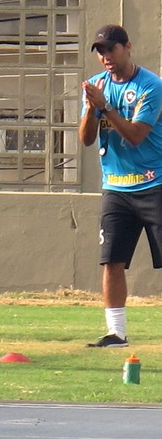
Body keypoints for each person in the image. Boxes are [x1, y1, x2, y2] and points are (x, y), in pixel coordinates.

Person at [79, 25, 162, 348]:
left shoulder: (150, 86)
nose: (105, 57)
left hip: (154, 183)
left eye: (110, 49)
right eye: (100, 51)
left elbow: (136, 135)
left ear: (127, 47)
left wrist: (107, 107)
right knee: (111, 260)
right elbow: (86, 139)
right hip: (115, 187)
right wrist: (91, 108)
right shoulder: (97, 87)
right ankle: (116, 332)